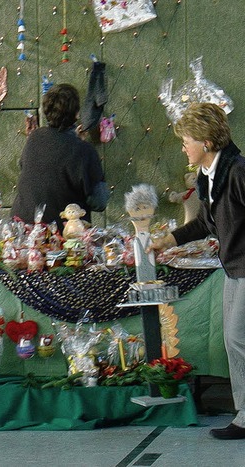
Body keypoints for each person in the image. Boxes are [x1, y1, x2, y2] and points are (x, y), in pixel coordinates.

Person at [148, 103, 245, 440]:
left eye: (186, 139)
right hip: (233, 268)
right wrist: (168, 239)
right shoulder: (211, 175)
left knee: (237, 338)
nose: (183, 146)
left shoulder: (238, 172)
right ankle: (244, 417)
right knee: (233, 343)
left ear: (205, 141)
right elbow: (205, 221)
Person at [11, 83, 109, 232]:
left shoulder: (35, 138)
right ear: (76, 113)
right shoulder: (84, 151)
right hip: (62, 235)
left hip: (22, 230)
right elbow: (99, 202)